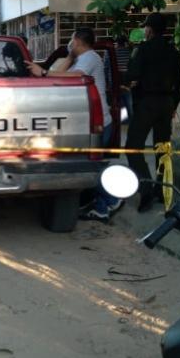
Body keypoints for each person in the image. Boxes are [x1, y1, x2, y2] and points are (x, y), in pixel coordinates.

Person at [28, 28, 121, 221]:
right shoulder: (80, 58)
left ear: (77, 40)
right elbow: (61, 74)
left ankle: (112, 199)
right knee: (89, 164)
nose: (70, 43)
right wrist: (69, 57)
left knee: (91, 166)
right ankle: (101, 204)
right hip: (86, 122)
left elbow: (76, 76)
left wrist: (43, 72)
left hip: (98, 122)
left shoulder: (90, 58)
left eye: (72, 41)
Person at [125, 13, 180, 213]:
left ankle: (146, 189)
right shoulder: (173, 52)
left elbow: (132, 75)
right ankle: (162, 191)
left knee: (133, 147)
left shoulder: (142, 49)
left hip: (147, 102)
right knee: (162, 149)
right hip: (167, 103)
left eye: (146, 28)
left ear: (149, 29)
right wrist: (173, 105)